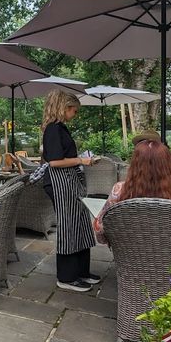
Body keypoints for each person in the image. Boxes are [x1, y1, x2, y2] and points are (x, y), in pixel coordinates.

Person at [41, 89, 100, 293]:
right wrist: (82, 160)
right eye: (74, 111)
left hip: (70, 180)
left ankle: (81, 271)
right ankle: (66, 277)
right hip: (60, 182)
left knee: (81, 224)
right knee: (68, 227)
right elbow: (55, 161)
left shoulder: (61, 128)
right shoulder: (52, 130)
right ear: (65, 108)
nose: (75, 115)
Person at [93, 139, 171, 244]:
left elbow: (100, 232)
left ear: (135, 165)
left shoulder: (119, 190)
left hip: (130, 256)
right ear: (169, 164)